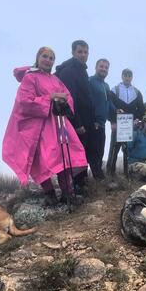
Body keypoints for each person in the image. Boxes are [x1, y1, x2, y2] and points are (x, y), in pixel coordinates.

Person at [3, 47, 87, 206]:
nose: (48, 60)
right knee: (42, 159)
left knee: (65, 156)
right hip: (40, 127)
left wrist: (63, 101)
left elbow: (67, 96)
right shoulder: (30, 78)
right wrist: (51, 97)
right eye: (45, 56)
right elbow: (24, 101)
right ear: (38, 57)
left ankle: (67, 192)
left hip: (59, 124)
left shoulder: (55, 79)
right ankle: (49, 194)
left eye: (51, 58)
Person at [55, 40, 92, 194]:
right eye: (80, 52)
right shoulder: (69, 71)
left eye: (85, 52)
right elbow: (71, 99)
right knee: (75, 153)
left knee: (81, 152)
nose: (83, 55)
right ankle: (75, 187)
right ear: (73, 52)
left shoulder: (81, 70)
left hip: (83, 120)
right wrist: (77, 123)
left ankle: (81, 184)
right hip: (74, 122)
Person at [106, 69, 145, 175]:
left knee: (128, 149)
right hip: (118, 125)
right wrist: (112, 121)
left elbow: (141, 108)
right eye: (125, 75)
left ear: (132, 77)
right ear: (122, 76)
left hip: (131, 125)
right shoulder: (115, 90)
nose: (127, 78)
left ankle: (127, 174)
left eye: (129, 76)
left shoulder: (136, 92)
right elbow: (110, 106)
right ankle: (110, 173)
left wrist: (138, 119)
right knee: (114, 148)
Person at [88, 59, 111, 180]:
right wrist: (93, 120)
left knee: (101, 151)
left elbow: (108, 103)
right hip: (93, 123)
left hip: (102, 123)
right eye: (101, 66)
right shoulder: (90, 81)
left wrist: (115, 113)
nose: (104, 69)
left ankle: (98, 176)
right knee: (94, 152)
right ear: (96, 67)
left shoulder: (106, 85)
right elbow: (87, 102)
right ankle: (98, 178)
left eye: (106, 67)